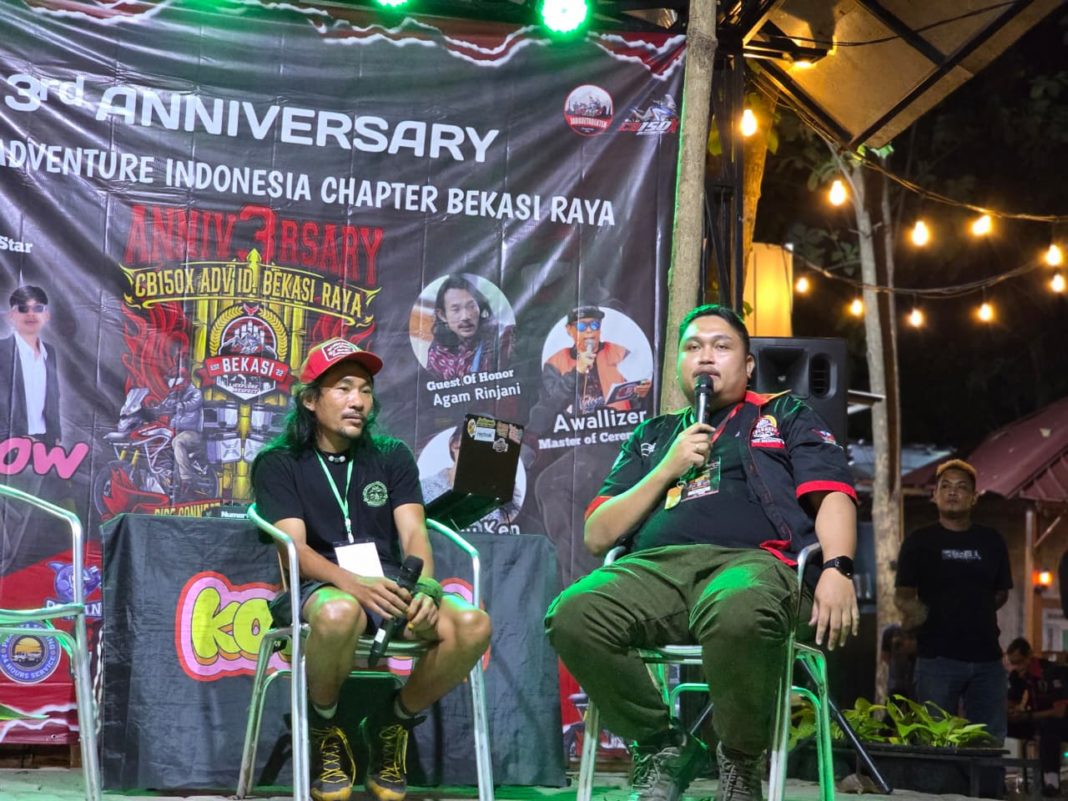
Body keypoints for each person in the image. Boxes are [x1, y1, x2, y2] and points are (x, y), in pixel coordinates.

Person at [545, 304, 859, 801]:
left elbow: (833, 495)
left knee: (739, 609)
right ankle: (663, 745)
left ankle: (739, 759)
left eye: (721, 346)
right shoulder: (654, 436)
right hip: (655, 572)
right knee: (574, 613)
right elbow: (598, 535)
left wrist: (839, 568)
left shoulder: (783, 414)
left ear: (748, 365)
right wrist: (666, 468)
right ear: (679, 365)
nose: (706, 356)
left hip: (756, 567)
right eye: (693, 347)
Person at [251, 337, 492, 801]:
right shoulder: (279, 463)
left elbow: (415, 533)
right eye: (343, 388)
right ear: (310, 400)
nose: (358, 401)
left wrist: (426, 589)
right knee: (340, 611)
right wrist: (353, 584)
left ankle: (392, 721)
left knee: (472, 624)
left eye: (365, 390)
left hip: (389, 585)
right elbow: (293, 550)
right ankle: (325, 725)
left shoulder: (391, 455)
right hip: (319, 586)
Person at [895, 458, 1012, 743]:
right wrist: (924, 617)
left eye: (961, 487)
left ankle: (985, 777)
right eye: (945, 486)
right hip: (936, 658)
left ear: (973, 498)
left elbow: (1001, 592)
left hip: (987, 659)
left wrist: (974, 613)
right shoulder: (919, 541)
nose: (952, 492)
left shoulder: (992, 541)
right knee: (935, 740)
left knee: (988, 741)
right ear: (934, 495)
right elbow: (903, 594)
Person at [536, 304, 649, 420]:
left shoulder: (620, 353)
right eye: (581, 326)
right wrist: (577, 371)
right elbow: (552, 405)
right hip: (577, 427)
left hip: (616, 422)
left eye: (595, 325)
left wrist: (641, 394)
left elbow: (636, 397)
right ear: (569, 329)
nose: (589, 330)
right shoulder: (555, 362)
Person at [1006, 638, 1068, 796]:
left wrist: (1027, 716)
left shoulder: (1052, 672)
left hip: (1060, 722)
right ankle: (994, 776)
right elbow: (1011, 700)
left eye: (1019, 662)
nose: (1017, 667)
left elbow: (1059, 711)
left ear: (1029, 656)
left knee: (1049, 727)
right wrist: (1011, 712)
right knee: (1000, 725)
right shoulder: (1017, 676)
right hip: (1035, 720)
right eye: (1013, 663)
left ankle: (1052, 782)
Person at [0, 285, 61, 445]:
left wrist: (56, 435)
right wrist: (13, 437)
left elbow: (53, 398)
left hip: (45, 440)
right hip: (8, 440)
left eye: (38, 308)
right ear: (11, 315)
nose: (31, 314)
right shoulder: (1, 351)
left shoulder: (49, 352)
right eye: (23, 308)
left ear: (46, 315)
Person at [425, 275, 510, 380]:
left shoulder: (500, 337)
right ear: (442, 315)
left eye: (471, 306)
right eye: (456, 309)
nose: (465, 317)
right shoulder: (437, 354)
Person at [153, 366, 204, 499]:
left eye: (177, 380)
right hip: (174, 431)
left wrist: (180, 405)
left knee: (178, 441)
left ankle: (187, 479)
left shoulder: (195, 393)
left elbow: (192, 404)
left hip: (192, 433)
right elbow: (165, 404)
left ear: (185, 380)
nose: (175, 384)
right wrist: (156, 407)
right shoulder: (175, 393)